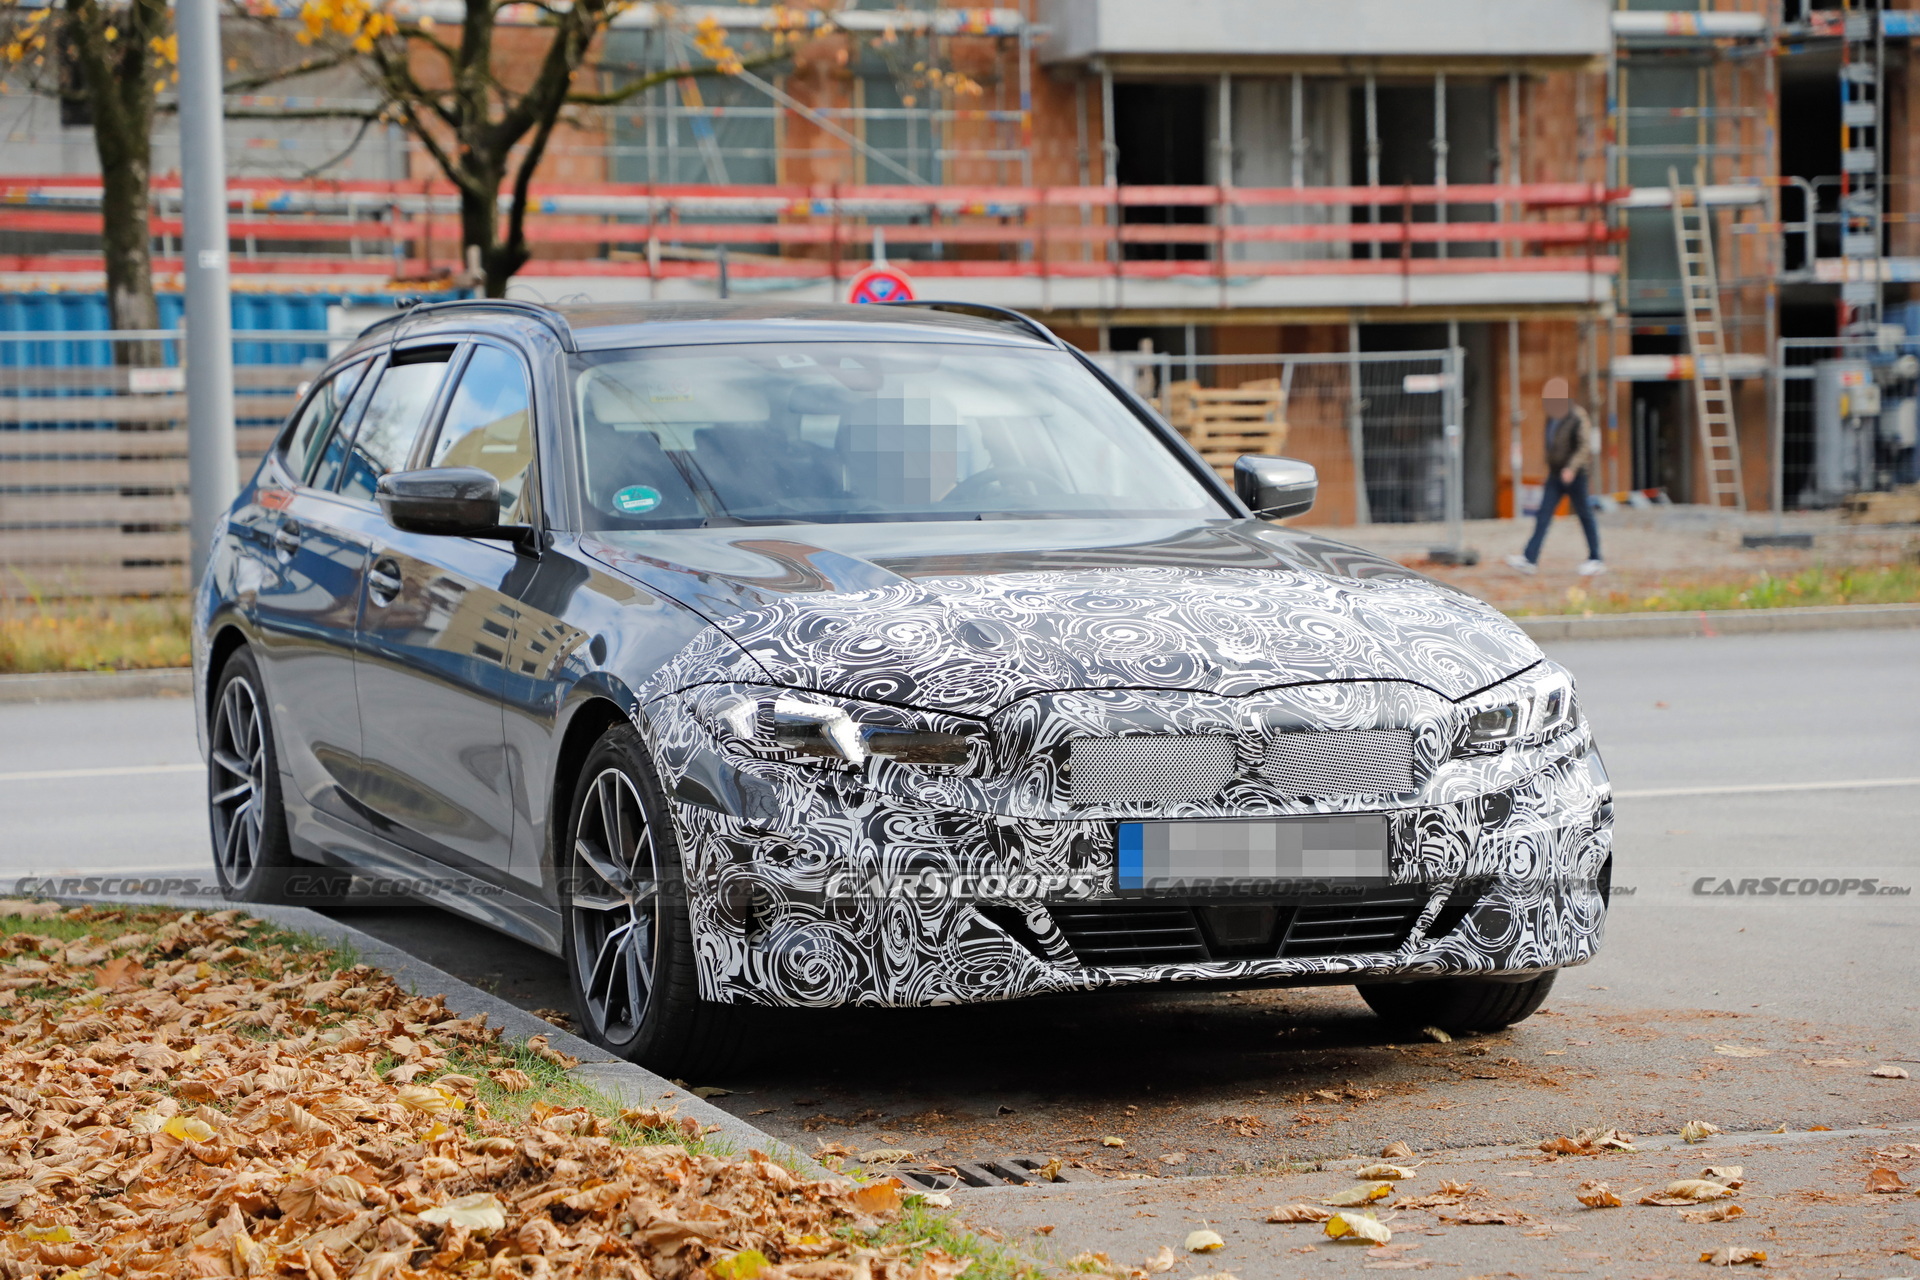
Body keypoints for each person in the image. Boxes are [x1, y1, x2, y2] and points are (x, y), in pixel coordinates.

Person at [1507, 377, 1605, 576]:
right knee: (1543, 515)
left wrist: (1571, 468)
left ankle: (1596, 558)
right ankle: (1530, 558)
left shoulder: (1578, 416)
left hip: (1575, 475)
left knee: (1585, 515)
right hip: (1555, 474)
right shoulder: (1552, 416)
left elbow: (1583, 447)